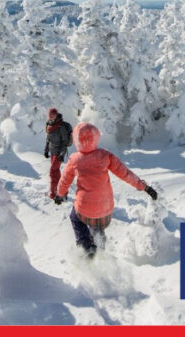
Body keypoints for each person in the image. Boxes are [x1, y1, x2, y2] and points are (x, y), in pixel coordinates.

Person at [53, 122, 158, 257]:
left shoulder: (74, 159)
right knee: (97, 226)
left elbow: (64, 181)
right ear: (96, 137)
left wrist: (59, 195)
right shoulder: (105, 155)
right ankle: (100, 249)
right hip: (105, 211)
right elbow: (125, 173)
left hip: (84, 210)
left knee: (75, 217)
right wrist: (144, 187)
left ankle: (86, 246)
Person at [43, 107, 73, 199]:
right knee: (56, 173)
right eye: (50, 115)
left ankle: (53, 193)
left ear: (56, 115)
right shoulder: (49, 124)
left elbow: (64, 142)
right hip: (52, 152)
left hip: (59, 153)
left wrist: (61, 154)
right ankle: (63, 191)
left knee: (53, 172)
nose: (51, 117)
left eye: (53, 115)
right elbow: (48, 139)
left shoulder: (61, 127)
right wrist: (46, 150)